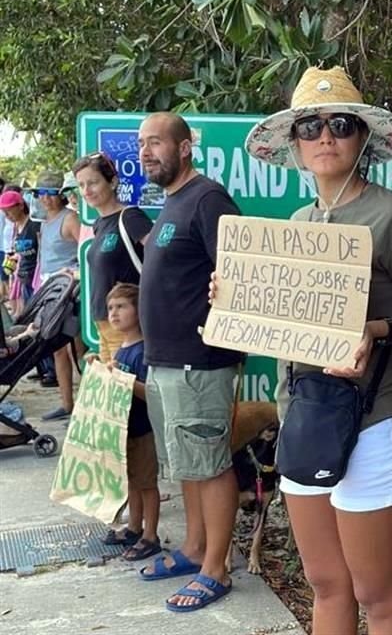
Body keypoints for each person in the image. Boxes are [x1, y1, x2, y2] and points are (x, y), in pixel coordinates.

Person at [237, 66, 392, 635]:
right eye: (310, 127)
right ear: (295, 144)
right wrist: (234, 296)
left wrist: (376, 330)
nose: (325, 137)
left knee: (377, 594)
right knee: (326, 583)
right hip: (305, 417)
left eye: (340, 124)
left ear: (363, 138)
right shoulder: (299, 222)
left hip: (373, 420)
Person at [137, 112, 244, 613]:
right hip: (166, 361)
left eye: (156, 142)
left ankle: (216, 568)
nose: (146, 151)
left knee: (210, 463)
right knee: (188, 463)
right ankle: (195, 547)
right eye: (142, 143)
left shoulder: (207, 199)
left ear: (184, 148)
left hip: (199, 361)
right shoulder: (172, 202)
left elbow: (240, 274)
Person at [96, 282, 162, 562]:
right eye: (111, 307)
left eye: (122, 306)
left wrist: (124, 380)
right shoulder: (122, 348)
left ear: (139, 310)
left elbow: (151, 393)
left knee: (147, 483)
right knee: (133, 481)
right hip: (125, 429)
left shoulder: (143, 350)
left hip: (143, 429)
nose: (114, 313)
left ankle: (151, 535)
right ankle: (134, 527)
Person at [74, 152, 153, 363]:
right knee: (109, 383)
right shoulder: (99, 224)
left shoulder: (130, 217)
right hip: (104, 323)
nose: (86, 190)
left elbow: (161, 257)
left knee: (128, 382)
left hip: (127, 325)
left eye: (93, 183)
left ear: (112, 182)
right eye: (81, 185)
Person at [34, 170, 80, 420]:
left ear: (60, 194)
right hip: (50, 290)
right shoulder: (44, 222)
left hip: (71, 291)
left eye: (51, 193)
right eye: (41, 193)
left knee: (79, 349)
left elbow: (87, 249)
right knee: (57, 348)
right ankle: (67, 403)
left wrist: (73, 272)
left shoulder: (70, 219)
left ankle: (87, 403)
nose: (46, 198)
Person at [0, 190, 41, 319]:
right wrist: (15, 258)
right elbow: (21, 252)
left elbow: (42, 251)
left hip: (35, 279)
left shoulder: (35, 225)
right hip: (23, 278)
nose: (7, 215)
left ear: (21, 206)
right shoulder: (16, 226)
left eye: (9, 210)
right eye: (4, 212)